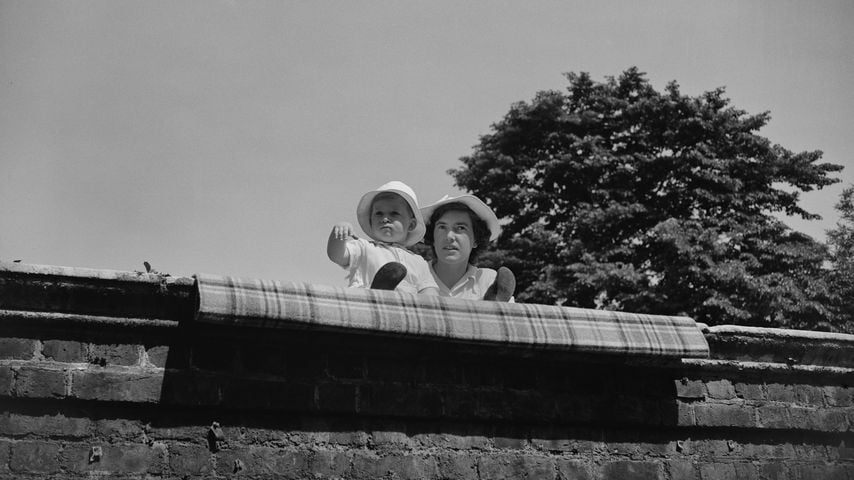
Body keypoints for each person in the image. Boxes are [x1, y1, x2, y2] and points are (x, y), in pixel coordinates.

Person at [327, 181, 439, 295]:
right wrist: (339, 233)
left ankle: (386, 295)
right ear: (371, 221)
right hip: (366, 305)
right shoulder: (364, 247)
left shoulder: (419, 262)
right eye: (379, 214)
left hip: (405, 309)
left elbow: (429, 289)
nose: (385, 218)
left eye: (394, 213)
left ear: (411, 224)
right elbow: (337, 255)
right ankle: (378, 294)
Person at [421, 194, 515, 301]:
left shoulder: (489, 281)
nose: (449, 236)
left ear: (476, 239)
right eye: (442, 227)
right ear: (432, 237)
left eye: (460, 228)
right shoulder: (416, 275)